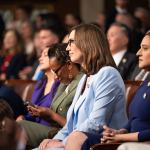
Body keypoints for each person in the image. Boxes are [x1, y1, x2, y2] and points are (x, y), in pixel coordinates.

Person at [37, 23, 127, 150]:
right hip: (76, 142)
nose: (67, 49)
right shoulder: (85, 77)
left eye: (71, 42)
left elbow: (96, 123)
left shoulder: (108, 74)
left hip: (99, 143)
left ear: (87, 43)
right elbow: (70, 126)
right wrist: (55, 139)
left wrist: (63, 143)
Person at [18, 43, 83, 147]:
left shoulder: (82, 82)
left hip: (67, 135)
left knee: (18, 126)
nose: (56, 77)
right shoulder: (63, 84)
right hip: (56, 131)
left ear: (69, 65)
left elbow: (78, 126)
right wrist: (42, 113)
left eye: (56, 71)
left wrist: (51, 114)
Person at [100, 30, 150, 144]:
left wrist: (121, 138)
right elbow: (135, 119)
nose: (138, 53)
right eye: (140, 48)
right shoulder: (145, 83)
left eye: (145, 48)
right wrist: (119, 132)